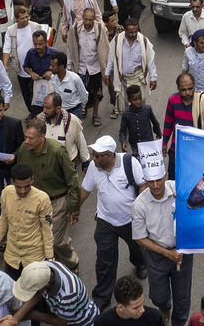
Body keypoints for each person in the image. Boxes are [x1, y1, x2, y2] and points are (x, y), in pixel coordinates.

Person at [80, 135, 148, 309]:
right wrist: (74, 209)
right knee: (104, 260)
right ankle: (102, 297)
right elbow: (85, 190)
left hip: (130, 220)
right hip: (105, 221)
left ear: (109, 155)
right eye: (93, 154)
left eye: (97, 155)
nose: (93, 158)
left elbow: (142, 184)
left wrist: (138, 208)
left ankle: (140, 263)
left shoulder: (129, 163)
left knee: (137, 247)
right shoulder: (95, 168)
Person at [15, 118, 82, 270]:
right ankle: (54, 263)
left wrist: (73, 207)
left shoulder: (58, 150)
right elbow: (21, 173)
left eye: (31, 138)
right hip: (35, 201)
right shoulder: (24, 149)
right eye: (26, 137)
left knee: (55, 241)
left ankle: (72, 262)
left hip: (57, 201)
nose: (27, 141)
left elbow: (72, 178)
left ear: (42, 137)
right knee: (40, 237)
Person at [131, 164, 192, 326]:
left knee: (182, 296)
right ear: (145, 180)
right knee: (159, 297)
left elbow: (198, 208)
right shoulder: (139, 204)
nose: (156, 185)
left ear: (165, 175)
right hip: (156, 255)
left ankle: (178, 322)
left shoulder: (178, 190)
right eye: (151, 181)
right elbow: (139, 238)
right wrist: (167, 253)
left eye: (159, 179)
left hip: (181, 253)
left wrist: (185, 200)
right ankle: (164, 307)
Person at [0, 164, 54, 283]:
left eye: (27, 186)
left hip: (34, 258)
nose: (23, 191)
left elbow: (47, 229)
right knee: (12, 291)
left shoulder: (42, 199)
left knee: (35, 296)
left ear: (32, 180)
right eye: (18, 187)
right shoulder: (6, 193)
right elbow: (4, 219)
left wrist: (50, 259)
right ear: (12, 181)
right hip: (11, 257)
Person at [2, 259, 99, 326]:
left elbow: (62, 322)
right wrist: (19, 314)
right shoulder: (45, 267)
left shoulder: (68, 294)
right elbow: (38, 293)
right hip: (63, 312)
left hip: (81, 322)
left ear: (48, 284)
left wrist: (31, 315)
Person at [162, 72, 204, 178]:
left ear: (194, 86)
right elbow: (168, 123)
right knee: (174, 180)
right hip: (176, 149)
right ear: (178, 88)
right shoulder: (173, 100)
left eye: (190, 89)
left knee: (195, 180)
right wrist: (164, 142)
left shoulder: (203, 101)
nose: (187, 93)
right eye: (183, 90)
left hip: (197, 150)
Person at [42, 90, 89, 166]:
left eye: (47, 108)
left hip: (67, 166)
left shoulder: (72, 121)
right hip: (46, 166)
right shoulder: (39, 121)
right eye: (43, 107)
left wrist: (85, 162)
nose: (44, 110)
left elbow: (81, 141)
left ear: (58, 109)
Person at [95, 276, 162, 326]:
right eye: (136, 307)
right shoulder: (102, 323)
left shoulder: (153, 317)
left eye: (142, 303)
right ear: (120, 307)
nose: (142, 310)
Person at [22, 29, 59, 117]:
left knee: (51, 108)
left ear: (46, 42)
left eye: (40, 44)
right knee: (36, 109)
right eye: (35, 44)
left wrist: (51, 72)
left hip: (51, 85)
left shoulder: (54, 52)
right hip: (36, 85)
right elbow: (25, 67)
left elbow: (61, 68)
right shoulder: (31, 53)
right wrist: (31, 73)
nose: (37, 46)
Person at [118, 85, 161, 153]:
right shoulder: (125, 114)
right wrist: (123, 142)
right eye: (135, 100)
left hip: (148, 143)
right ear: (129, 100)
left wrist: (158, 133)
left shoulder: (147, 109)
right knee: (137, 162)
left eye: (140, 98)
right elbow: (122, 131)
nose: (138, 101)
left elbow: (155, 123)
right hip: (135, 145)